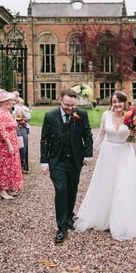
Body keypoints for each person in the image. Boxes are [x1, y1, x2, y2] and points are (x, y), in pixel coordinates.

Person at [74, 91, 136, 241]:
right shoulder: (106, 115)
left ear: (125, 102)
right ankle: (102, 215)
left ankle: (121, 218)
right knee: (105, 183)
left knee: (122, 185)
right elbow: (101, 134)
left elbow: (134, 140)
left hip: (124, 153)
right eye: (114, 102)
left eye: (119, 101)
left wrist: (134, 132)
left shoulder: (132, 117)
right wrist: (90, 152)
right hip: (107, 153)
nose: (117, 104)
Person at [41, 88, 94, 244]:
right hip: (57, 161)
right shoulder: (50, 116)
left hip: (75, 160)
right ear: (60, 100)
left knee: (72, 189)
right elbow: (44, 139)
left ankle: (69, 215)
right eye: (67, 105)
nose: (71, 109)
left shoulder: (81, 114)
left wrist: (88, 154)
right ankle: (62, 227)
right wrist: (44, 161)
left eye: (73, 105)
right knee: (61, 190)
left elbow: (87, 135)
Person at [0, 89, 23, 200]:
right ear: (2, 102)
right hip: (4, 145)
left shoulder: (7, 112)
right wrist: (9, 144)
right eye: (8, 100)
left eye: (11, 100)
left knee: (11, 165)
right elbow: (2, 131)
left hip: (12, 141)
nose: (11, 102)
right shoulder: (0, 114)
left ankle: (9, 187)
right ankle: (2, 189)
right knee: (4, 166)